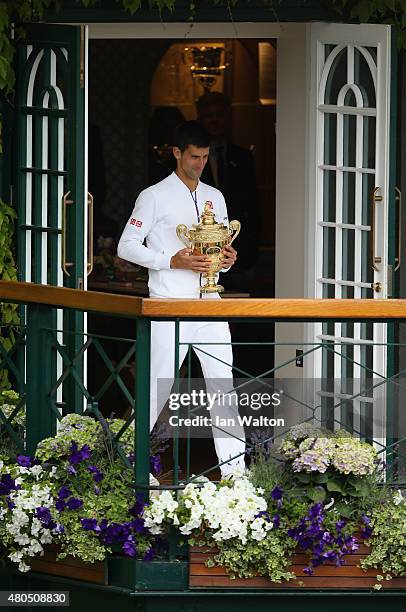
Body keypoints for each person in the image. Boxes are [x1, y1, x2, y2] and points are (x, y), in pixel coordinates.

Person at [117, 120, 246, 478]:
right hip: (169, 305)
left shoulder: (215, 197)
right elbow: (126, 246)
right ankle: (125, 471)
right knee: (155, 391)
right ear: (177, 153)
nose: (200, 164)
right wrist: (169, 260)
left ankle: (237, 478)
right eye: (194, 157)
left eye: (205, 157)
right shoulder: (153, 195)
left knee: (224, 389)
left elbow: (218, 250)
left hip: (210, 305)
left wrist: (227, 259)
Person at [196, 92, 261, 277]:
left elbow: (253, 207)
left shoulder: (243, 157)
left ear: (228, 118)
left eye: (220, 115)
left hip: (241, 254)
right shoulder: (191, 161)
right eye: (209, 116)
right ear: (200, 119)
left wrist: (252, 254)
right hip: (203, 254)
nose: (215, 120)